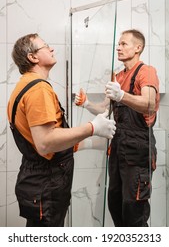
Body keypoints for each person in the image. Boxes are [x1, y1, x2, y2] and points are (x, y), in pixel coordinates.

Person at [7, 33, 116, 227]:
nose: (51, 48)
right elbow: (46, 143)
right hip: (46, 184)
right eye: (45, 46)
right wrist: (92, 128)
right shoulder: (38, 89)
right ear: (33, 57)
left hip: (38, 182)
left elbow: (46, 140)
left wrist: (90, 142)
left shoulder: (25, 85)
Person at [75, 29, 160, 227]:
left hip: (138, 150)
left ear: (138, 48)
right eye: (118, 44)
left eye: (123, 44)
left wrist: (122, 95)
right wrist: (87, 103)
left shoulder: (146, 71)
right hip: (117, 149)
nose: (118, 47)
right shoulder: (117, 75)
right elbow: (105, 107)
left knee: (134, 210)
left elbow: (148, 103)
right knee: (115, 203)